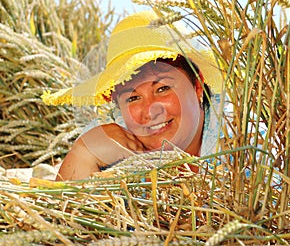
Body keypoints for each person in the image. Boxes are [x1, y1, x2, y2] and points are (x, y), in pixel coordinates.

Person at [42, 10, 223, 180]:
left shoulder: (239, 135)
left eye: (162, 89)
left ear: (198, 85)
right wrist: (83, 154)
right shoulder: (110, 138)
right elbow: (66, 208)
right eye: (133, 98)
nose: (150, 112)